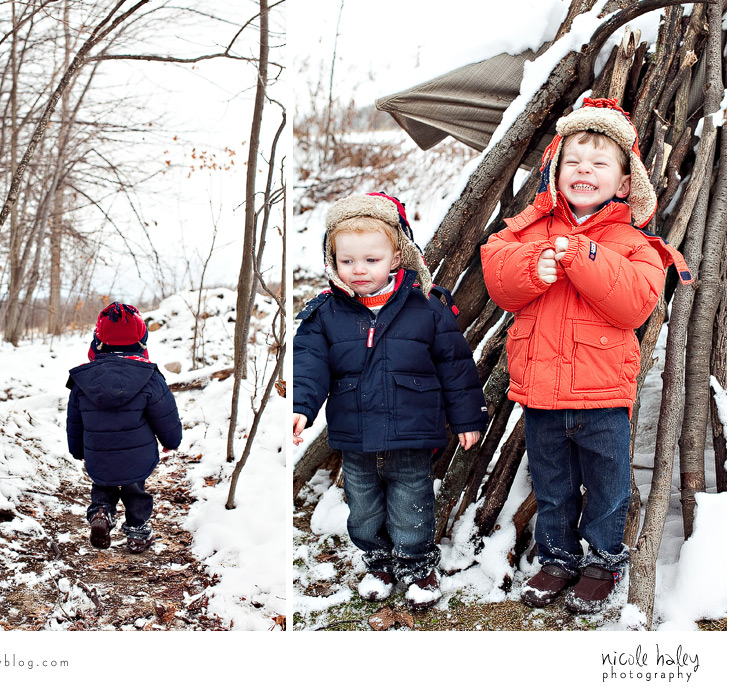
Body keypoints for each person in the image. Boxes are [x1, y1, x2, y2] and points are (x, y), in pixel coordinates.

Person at [481, 97, 692, 613]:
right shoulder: (529, 230)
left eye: (599, 163)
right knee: (552, 484)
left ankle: (603, 560)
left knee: (606, 485)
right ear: (555, 172)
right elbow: (498, 275)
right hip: (542, 394)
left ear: (623, 184)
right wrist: (533, 265)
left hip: (602, 396)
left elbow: (635, 304)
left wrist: (584, 255)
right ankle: (557, 559)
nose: (584, 170)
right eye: (573, 161)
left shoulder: (634, 243)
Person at [293, 192, 488, 609]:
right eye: (347, 261)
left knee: (411, 504)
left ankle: (417, 567)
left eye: (371, 259)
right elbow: (308, 364)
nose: (359, 269)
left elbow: (455, 366)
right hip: (355, 437)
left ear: (397, 257)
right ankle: (379, 563)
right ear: (332, 260)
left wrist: (468, 418)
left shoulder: (427, 307)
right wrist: (301, 407)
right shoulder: (325, 314)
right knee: (363, 509)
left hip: (411, 434)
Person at [66, 301, 182, 553]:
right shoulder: (149, 376)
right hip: (138, 455)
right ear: (140, 340)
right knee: (135, 489)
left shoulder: (82, 379)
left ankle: (101, 512)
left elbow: (75, 420)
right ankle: (137, 531)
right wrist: (171, 441)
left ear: (99, 340)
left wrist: (77, 450)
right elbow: (165, 414)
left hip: (98, 452)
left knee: (102, 484)